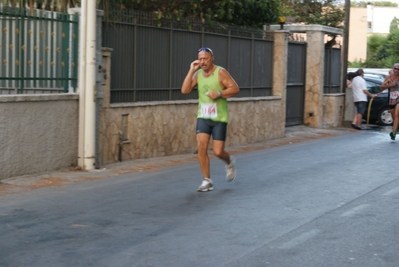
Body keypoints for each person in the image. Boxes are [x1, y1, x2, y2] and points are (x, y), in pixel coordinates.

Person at [181, 47, 240, 192]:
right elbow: (185, 90)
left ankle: (229, 161)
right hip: (203, 116)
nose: (202, 62)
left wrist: (219, 93)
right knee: (201, 146)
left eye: (205, 58)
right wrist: (191, 70)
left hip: (219, 118)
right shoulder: (198, 74)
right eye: (200, 59)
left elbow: (235, 88)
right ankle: (207, 180)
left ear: (212, 58)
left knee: (218, 152)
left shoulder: (220, 72)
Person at [380, 63, 399, 140]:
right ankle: (395, 128)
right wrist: (389, 85)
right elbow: (381, 87)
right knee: (394, 116)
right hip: (391, 98)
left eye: (398, 69)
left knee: (397, 114)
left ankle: (394, 132)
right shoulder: (389, 77)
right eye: (395, 68)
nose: (396, 70)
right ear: (393, 69)